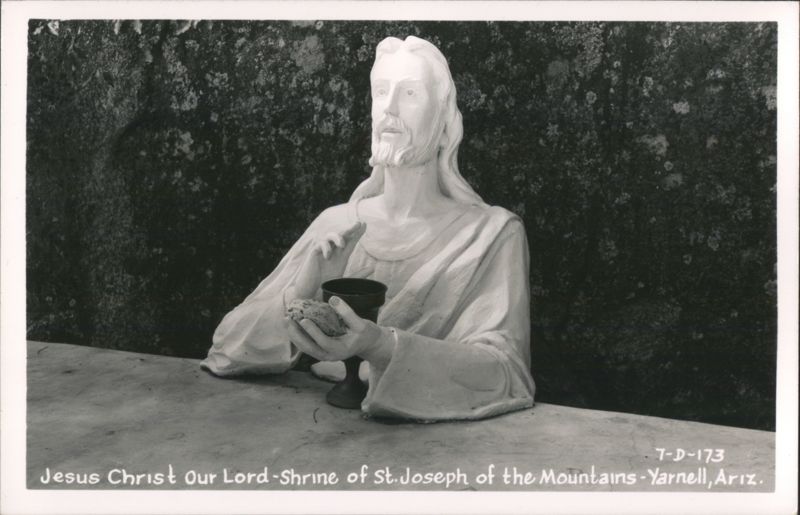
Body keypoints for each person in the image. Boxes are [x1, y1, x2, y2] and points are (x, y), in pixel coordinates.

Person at [202, 36, 535, 421]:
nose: (389, 109)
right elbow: (227, 347)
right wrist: (302, 291)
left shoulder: (490, 235)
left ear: (445, 126)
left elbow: (504, 374)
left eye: (410, 93)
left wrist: (380, 347)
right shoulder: (338, 223)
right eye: (381, 92)